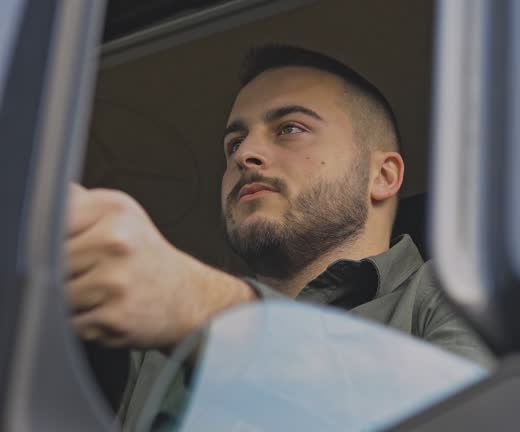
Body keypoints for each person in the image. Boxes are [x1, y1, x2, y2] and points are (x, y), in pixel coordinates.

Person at [67, 44, 493, 427]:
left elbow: (477, 419)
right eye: (233, 144)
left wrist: (206, 310)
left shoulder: (456, 291)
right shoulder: (147, 346)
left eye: (289, 128)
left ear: (382, 176)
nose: (246, 154)